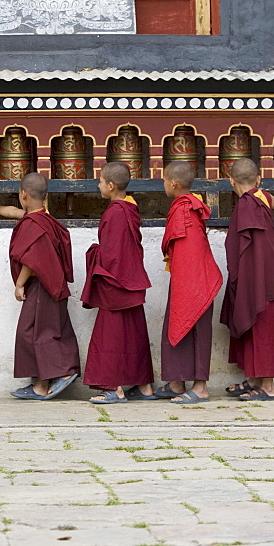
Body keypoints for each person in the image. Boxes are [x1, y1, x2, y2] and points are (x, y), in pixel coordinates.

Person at [0, 173, 81, 401]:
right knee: (47, 329)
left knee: (37, 332)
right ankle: (47, 378)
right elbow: (14, 212)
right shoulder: (43, 218)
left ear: (23, 194)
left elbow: (32, 259)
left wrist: (19, 284)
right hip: (52, 284)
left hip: (41, 285)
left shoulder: (33, 225)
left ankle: (52, 378)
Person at [81, 161, 154, 403]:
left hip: (117, 284)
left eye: (100, 181)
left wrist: (94, 253)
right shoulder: (130, 209)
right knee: (134, 334)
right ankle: (144, 387)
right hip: (133, 280)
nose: (98, 185)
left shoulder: (114, 212)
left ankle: (114, 388)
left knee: (109, 336)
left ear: (111, 186)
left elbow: (111, 255)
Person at [220, 158, 274, 402]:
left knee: (263, 326)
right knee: (255, 324)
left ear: (231, 180)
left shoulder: (246, 205)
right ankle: (253, 380)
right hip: (263, 272)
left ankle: (268, 387)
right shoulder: (260, 198)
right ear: (259, 180)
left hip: (259, 277)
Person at [155, 161, 223, 405]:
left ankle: (201, 387)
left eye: (164, 180)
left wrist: (190, 288)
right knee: (175, 326)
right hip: (185, 278)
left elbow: (191, 252)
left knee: (197, 332)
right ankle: (176, 382)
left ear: (173, 183)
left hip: (196, 281)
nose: (163, 184)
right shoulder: (185, 207)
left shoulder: (185, 211)